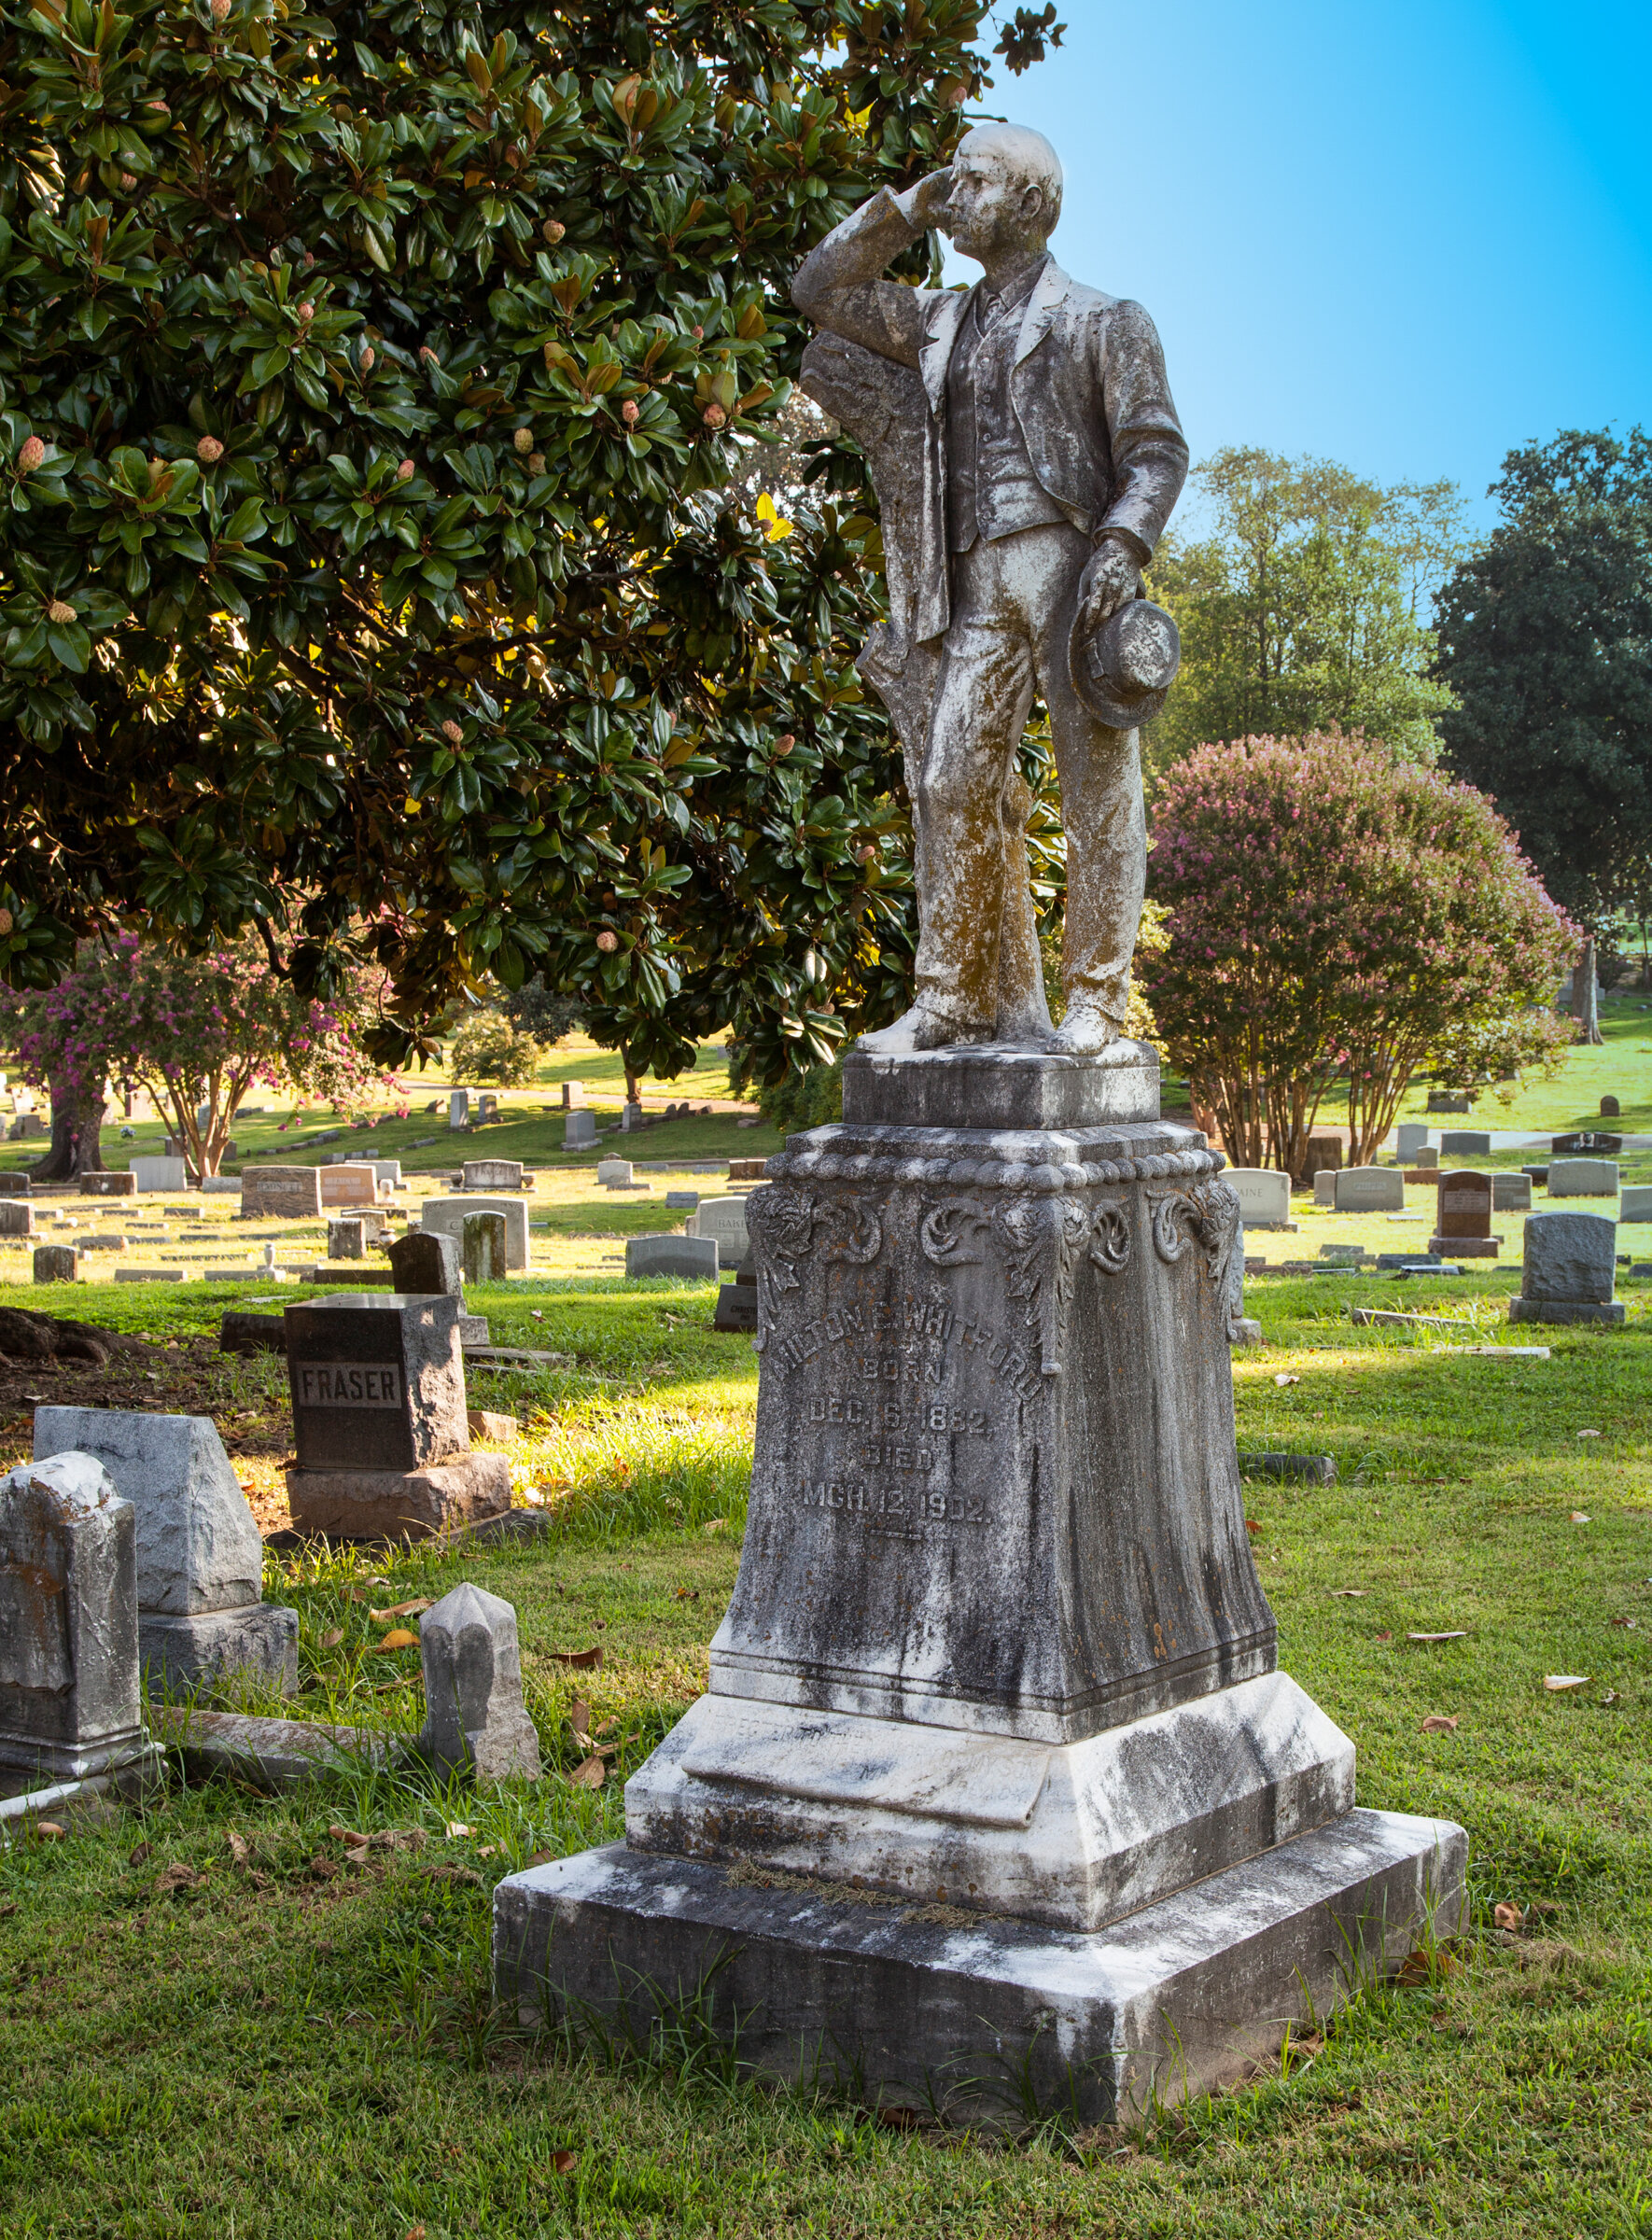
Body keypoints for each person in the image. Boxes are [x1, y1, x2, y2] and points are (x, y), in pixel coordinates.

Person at [792, 124, 1187, 1054]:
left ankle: (1096, 1001)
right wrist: (901, 211)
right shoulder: (939, 320)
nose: (957, 196)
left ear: (1033, 204)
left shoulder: (1104, 318)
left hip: (1068, 565)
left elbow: (1156, 452)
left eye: (976, 183)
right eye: (955, 181)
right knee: (952, 781)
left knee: (1097, 792)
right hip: (969, 578)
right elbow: (820, 291)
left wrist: (1121, 547)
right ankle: (954, 1001)